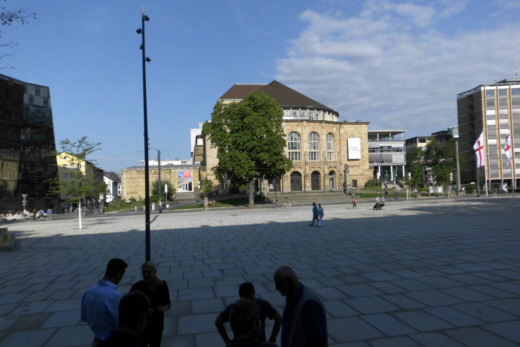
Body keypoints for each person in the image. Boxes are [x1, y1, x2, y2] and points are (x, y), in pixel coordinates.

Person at [273, 266, 328, 347]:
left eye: (279, 283)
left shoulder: (309, 304)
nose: (276, 288)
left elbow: (318, 340)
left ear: (288, 281)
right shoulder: (292, 299)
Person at [81, 258, 128, 347]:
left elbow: (85, 318)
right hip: (111, 341)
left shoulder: (89, 293)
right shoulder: (115, 296)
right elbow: (120, 324)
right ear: (119, 274)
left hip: (96, 340)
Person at [216, 282, 282, 345]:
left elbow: (218, 321)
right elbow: (278, 318)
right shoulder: (262, 304)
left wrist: (228, 342)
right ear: (253, 292)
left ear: (239, 294)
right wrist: (272, 339)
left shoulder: (235, 307)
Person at [130, 261, 171, 347]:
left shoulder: (162, 285)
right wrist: (143, 311)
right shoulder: (137, 287)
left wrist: (163, 309)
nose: (146, 275)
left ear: (154, 272)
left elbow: (168, 304)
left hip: (157, 325)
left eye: (149, 272)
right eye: (144, 272)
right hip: (141, 327)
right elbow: (129, 306)